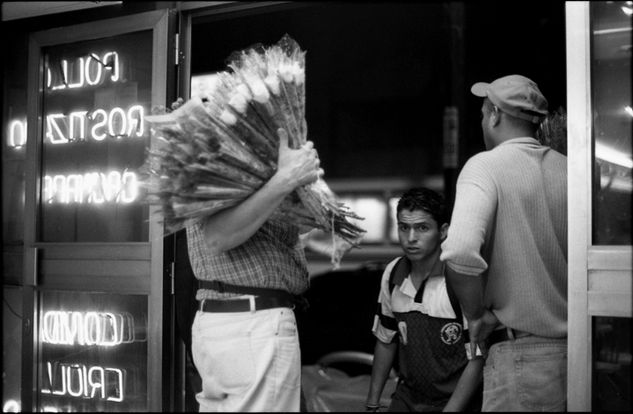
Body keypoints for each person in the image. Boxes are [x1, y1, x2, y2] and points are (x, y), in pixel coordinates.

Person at [440, 74, 568, 411]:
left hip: (520, 359)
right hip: (576, 355)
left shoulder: (484, 166)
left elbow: (459, 251)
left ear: (495, 114)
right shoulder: (570, 171)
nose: (483, 120)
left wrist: (476, 315)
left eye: (484, 113)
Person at [185, 127, 322, 412]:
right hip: (252, 323)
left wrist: (303, 179)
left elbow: (310, 221)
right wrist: (286, 178)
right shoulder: (225, 156)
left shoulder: (252, 166)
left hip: (227, 322)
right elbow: (216, 237)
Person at [366, 187, 483, 412]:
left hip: (458, 401)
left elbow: (478, 357)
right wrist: (372, 403)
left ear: (443, 231)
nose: (411, 238)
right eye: (404, 227)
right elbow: (386, 341)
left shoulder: (459, 276)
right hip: (408, 396)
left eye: (422, 228)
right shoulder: (393, 273)